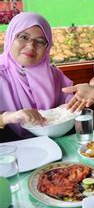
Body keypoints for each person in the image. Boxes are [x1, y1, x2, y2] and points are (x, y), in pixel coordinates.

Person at [0, 13, 73, 142]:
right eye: (23, 37)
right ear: (11, 37)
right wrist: (8, 117)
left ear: (47, 47)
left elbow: (72, 103)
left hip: (55, 146)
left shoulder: (55, 75)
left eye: (40, 41)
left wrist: (70, 108)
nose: (30, 46)